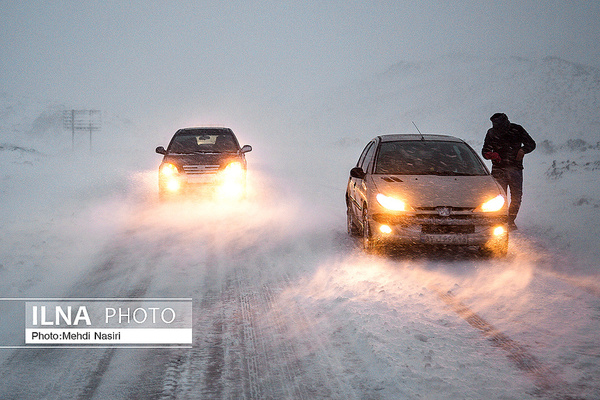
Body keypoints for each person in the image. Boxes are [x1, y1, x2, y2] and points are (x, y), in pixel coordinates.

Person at [482, 113, 536, 230]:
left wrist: (523, 150)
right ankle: (501, 221)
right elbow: (485, 151)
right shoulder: (491, 133)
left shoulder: (517, 129)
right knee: (499, 197)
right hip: (499, 169)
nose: (497, 126)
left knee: (515, 197)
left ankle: (509, 221)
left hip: (514, 169)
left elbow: (531, 144)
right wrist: (491, 154)